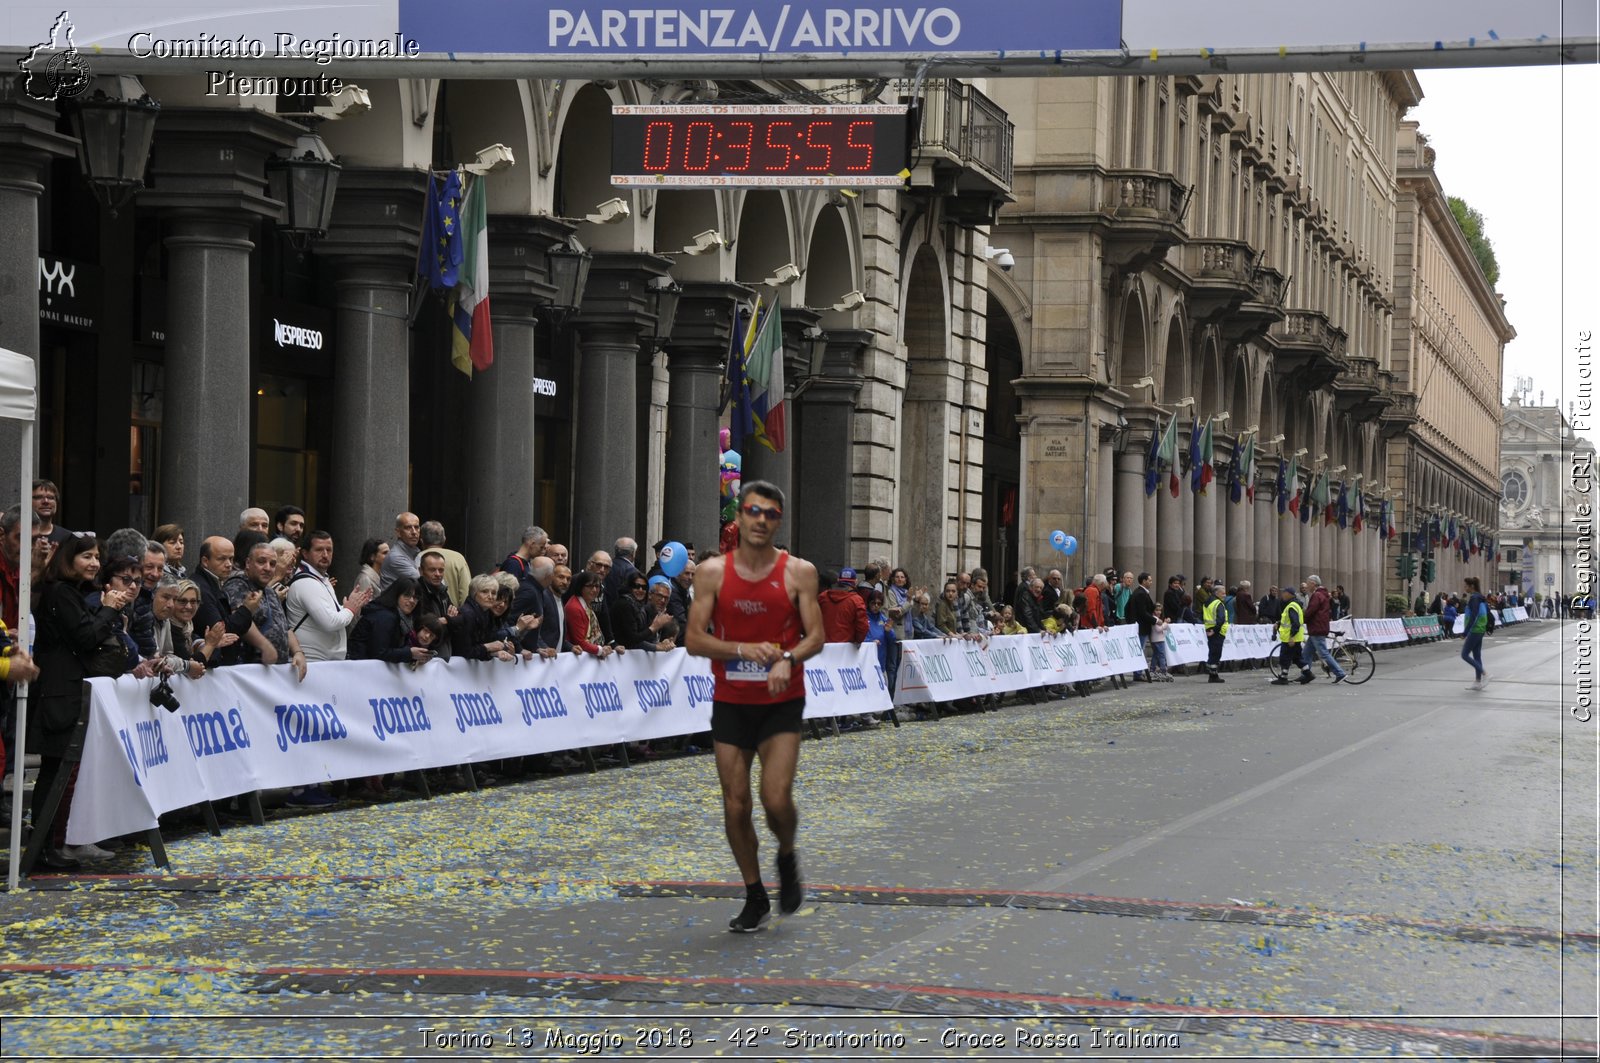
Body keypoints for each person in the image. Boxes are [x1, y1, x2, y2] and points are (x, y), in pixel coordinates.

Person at [685, 481, 824, 933]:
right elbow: (694, 639)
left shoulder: (799, 572)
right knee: (736, 803)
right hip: (731, 699)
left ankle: (786, 854)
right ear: (739, 518)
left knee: (775, 797)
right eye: (753, 511)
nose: (761, 519)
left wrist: (787, 658)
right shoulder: (711, 573)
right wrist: (743, 649)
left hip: (781, 698)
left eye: (770, 513)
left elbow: (816, 637)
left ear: (778, 520)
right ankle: (754, 894)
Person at [30, 536, 131, 869]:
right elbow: (85, 636)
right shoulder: (60, 593)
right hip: (60, 692)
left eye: (97, 557)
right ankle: (44, 846)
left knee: (61, 770)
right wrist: (108, 609)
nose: (94, 563)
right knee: (54, 770)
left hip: (69, 688)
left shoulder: (68, 593)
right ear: (68, 559)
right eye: (87, 556)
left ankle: (52, 844)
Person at [286, 531, 372, 662]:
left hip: (323, 664)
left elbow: (330, 614)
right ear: (305, 553)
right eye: (319, 550)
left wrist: (353, 605)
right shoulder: (306, 583)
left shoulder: (321, 579)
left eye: (329, 550)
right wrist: (350, 609)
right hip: (311, 663)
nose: (325, 555)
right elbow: (331, 622)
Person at [349, 578, 435, 664]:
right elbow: (379, 653)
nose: (412, 601)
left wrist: (414, 657)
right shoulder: (385, 616)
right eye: (407, 595)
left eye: (416, 597)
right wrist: (410, 654)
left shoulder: (404, 619)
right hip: (360, 668)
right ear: (396, 595)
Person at [1301, 575, 1346, 683]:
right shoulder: (1323, 594)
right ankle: (1306, 674)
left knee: (1323, 653)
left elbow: (1311, 610)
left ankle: (1340, 673)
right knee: (1306, 653)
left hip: (1317, 628)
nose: (1307, 586)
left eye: (1308, 583)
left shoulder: (1316, 595)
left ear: (1313, 583)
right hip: (1318, 627)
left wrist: (1302, 619)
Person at [562, 571, 613, 658]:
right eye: (589, 586)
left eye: (597, 586)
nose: (594, 590)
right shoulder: (574, 607)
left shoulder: (586, 604)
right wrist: (600, 650)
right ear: (580, 587)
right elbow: (579, 641)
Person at [1271, 585, 1311, 685]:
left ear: (1289, 594)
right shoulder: (1295, 605)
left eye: (1284, 592)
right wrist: (1279, 623)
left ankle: (1283, 677)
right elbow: (1289, 620)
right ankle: (1308, 674)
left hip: (1290, 638)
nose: (1282, 595)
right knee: (1297, 658)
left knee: (1285, 657)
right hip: (1296, 637)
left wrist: (1291, 637)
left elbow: (1295, 623)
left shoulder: (1291, 606)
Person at [378, 512, 423, 591]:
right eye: (408, 527)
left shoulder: (415, 554)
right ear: (398, 532)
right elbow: (425, 583)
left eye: (416, 527)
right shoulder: (396, 557)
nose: (414, 532)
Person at [1461, 576, 1490, 689]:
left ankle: (1484, 674)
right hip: (1480, 629)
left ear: (1471, 586)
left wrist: (1465, 632)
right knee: (1477, 656)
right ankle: (1478, 682)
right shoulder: (1480, 597)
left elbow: (1474, 616)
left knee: (1464, 654)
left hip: (1475, 629)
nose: (1464, 588)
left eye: (1465, 586)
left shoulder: (1474, 598)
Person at [1201, 578, 1229, 683]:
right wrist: (1215, 630)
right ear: (1217, 593)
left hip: (1209, 630)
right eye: (1223, 593)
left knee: (1212, 652)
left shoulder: (1207, 602)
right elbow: (1221, 619)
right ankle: (1213, 675)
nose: (1224, 595)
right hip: (1217, 632)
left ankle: (1212, 674)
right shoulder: (1218, 604)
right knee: (1216, 653)